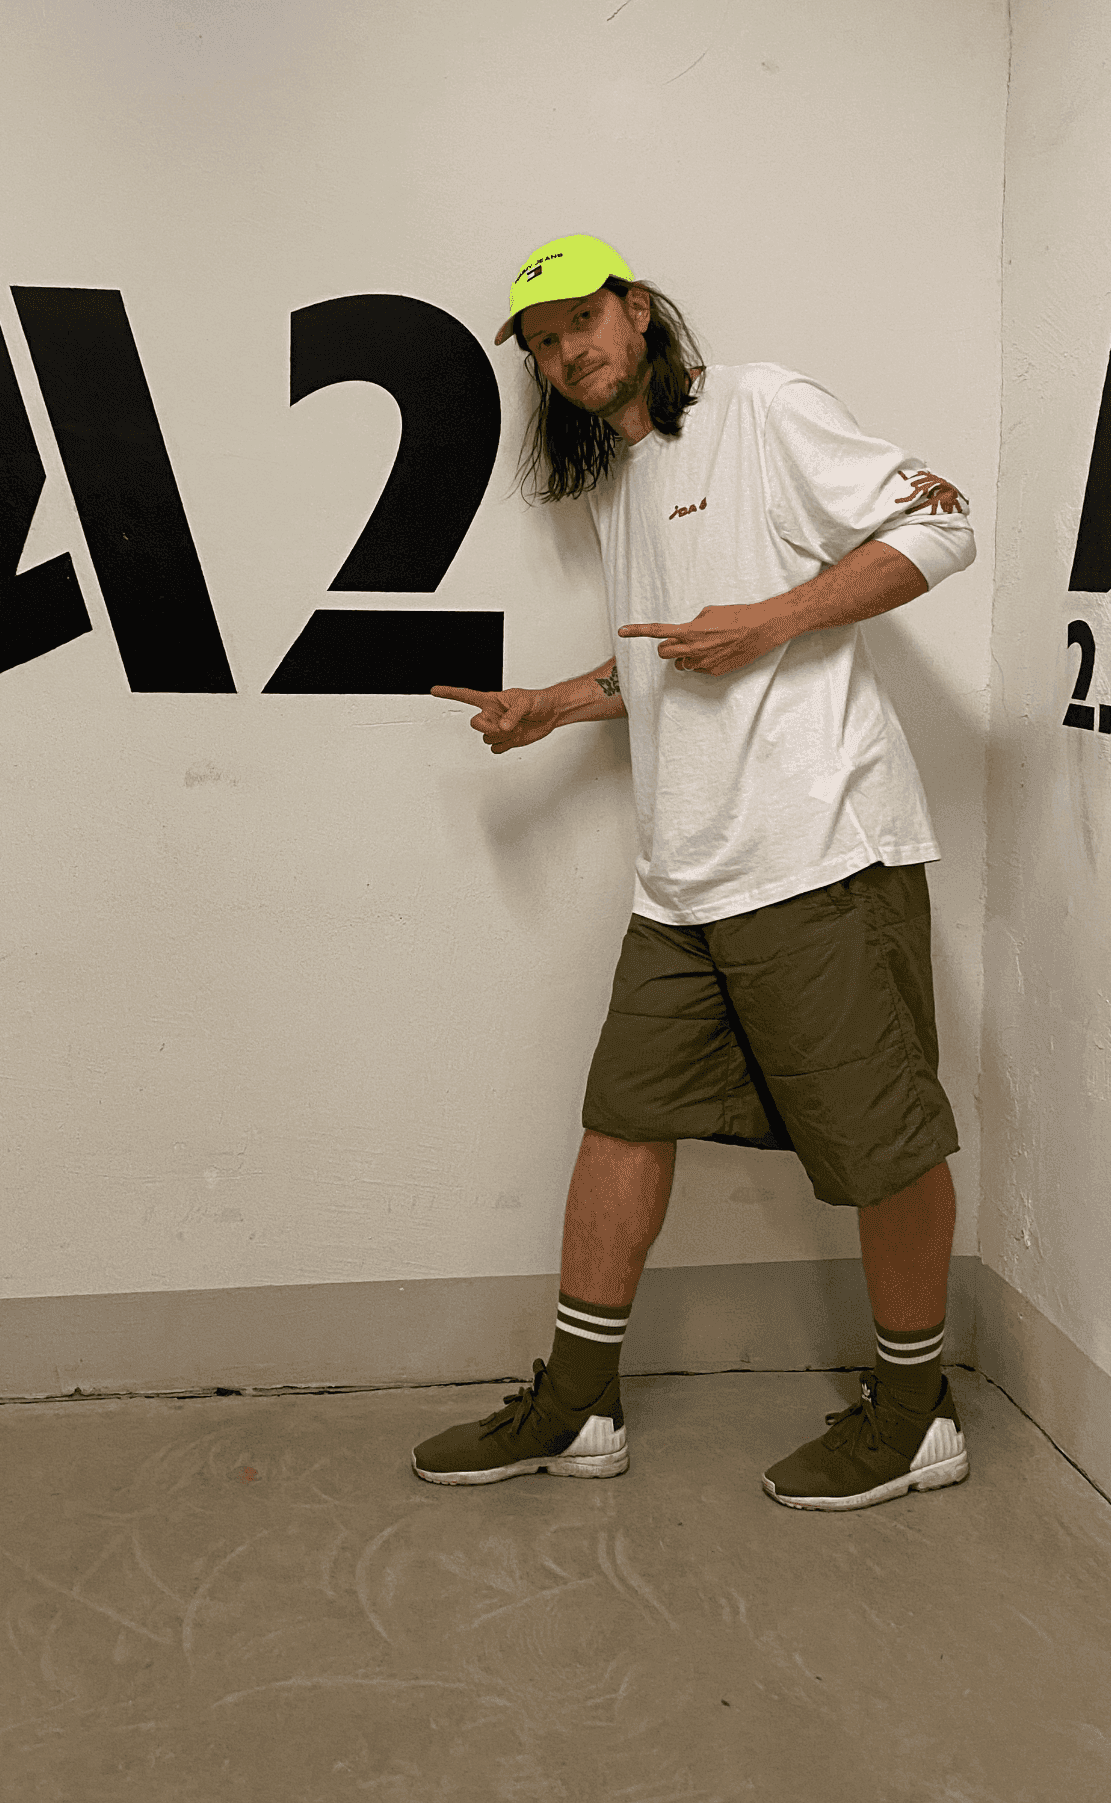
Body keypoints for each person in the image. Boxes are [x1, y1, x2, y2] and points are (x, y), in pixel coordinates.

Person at [413, 234, 975, 1512]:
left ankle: (915, 1416)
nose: (567, 353)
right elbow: (670, 654)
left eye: (581, 322)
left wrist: (775, 618)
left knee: (882, 1145)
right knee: (620, 1121)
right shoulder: (621, 479)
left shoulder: (760, 408)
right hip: (684, 877)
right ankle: (578, 1406)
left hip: (818, 854)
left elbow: (943, 521)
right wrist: (556, 705)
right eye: (543, 345)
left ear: (635, 310)